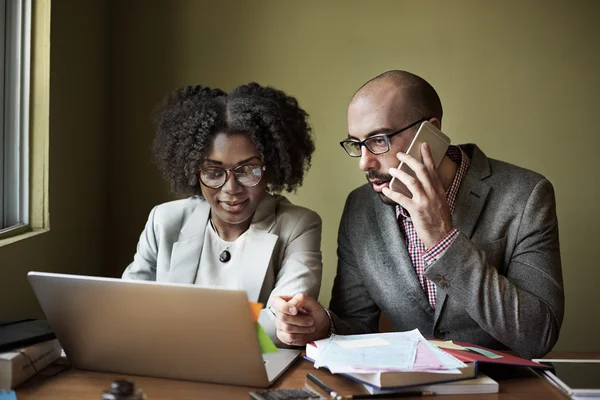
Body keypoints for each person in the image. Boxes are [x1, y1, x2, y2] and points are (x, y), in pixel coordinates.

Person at [271, 70, 564, 359]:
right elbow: (357, 325)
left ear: (431, 131)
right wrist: (324, 325)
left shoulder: (526, 195)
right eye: (357, 145)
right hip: (404, 386)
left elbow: (539, 335)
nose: (364, 162)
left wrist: (443, 240)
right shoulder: (361, 208)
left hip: (502, 387)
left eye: (378, 140)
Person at [122, 83, 322, 345]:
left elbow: (282, 324)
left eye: (248, 170)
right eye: (214, 172)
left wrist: (176, 331)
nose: (231, 188)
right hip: (167, 365)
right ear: (194, 171)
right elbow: (127, 306)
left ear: (270, 168)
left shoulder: (298, 225)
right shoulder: (163, 220)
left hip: (255, 368)